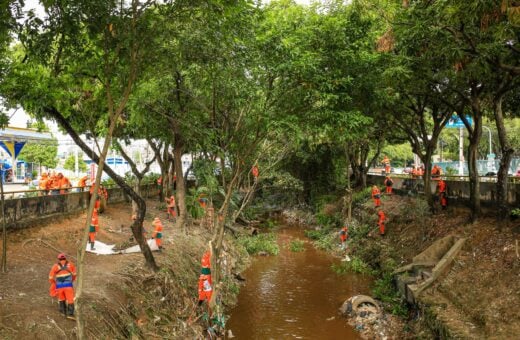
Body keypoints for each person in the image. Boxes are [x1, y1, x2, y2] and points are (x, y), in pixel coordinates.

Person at [49, 253, 76, 319]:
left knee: (61, 298)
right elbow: (74, 274)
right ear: (65, 258)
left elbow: (50, 277)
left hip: (59, 286)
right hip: (68, 285)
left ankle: (63, 312)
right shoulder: (71, 264)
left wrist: (54, 283)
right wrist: (71, 280)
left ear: (58, 259)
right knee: (70, 299)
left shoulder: (55, 266)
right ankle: (70, 314)